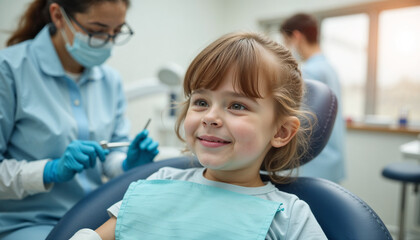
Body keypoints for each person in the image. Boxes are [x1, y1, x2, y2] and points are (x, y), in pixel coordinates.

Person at [70, 31, 327, 239]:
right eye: (201, 101)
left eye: (237, 106)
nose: (209, 117)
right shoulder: (160, 181)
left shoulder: (290, 216)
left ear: (281, 131)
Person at [0, 0, 159, 239]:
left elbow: (110, 156)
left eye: (116, 32)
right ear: (58, 16)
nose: (107, 41)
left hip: (95, 217)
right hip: (30, 224)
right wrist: (49, 170)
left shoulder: (110, 81)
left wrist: (126, 165)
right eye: (96, 30)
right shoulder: (8, 71)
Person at [280, 13, 346, 183]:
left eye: (286, 42)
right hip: (331, 161)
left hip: (312, 163)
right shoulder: (329, 68)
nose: (287, 47)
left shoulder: (308, 72)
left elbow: (299, 120)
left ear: (296, 36)